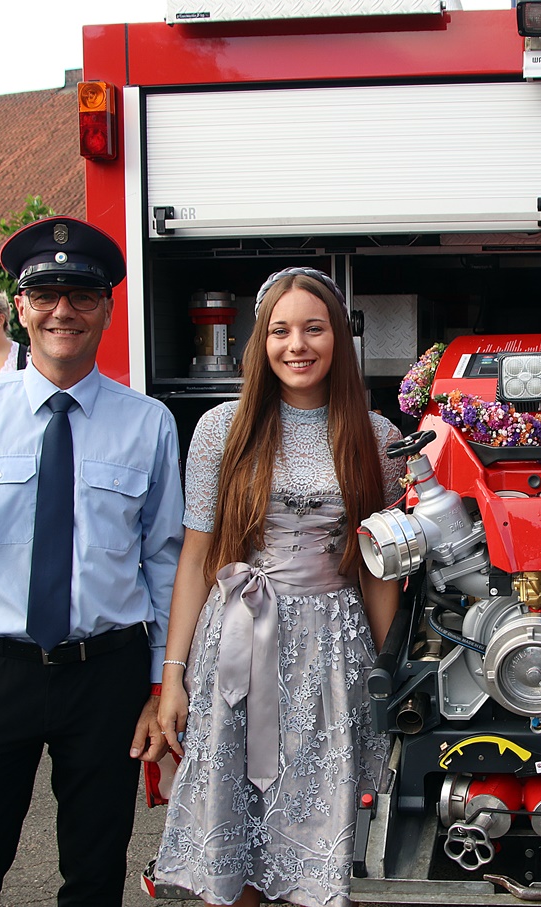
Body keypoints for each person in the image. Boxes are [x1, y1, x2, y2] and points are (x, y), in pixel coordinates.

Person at [0, 216, 185, 907]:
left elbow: (165, 567)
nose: (63, 310)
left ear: (107, 310)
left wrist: (157, 689)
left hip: (107, 676)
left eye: (81, 295)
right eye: (46, 293)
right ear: (19, 306)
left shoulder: (148, 424)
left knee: (94, 875)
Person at [153, 267, 405, 907]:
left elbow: (378, 571)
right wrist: (174, 676)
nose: (298, 345)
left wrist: (387, 675)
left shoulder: (378, 439)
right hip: (235, 642)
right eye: (280, 330)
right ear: (259, 342)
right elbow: (196, 557)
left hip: (333, 655)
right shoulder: (220, 429)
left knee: (319, 833)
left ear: (338, 340)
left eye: (314, 329)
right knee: (238, 845)